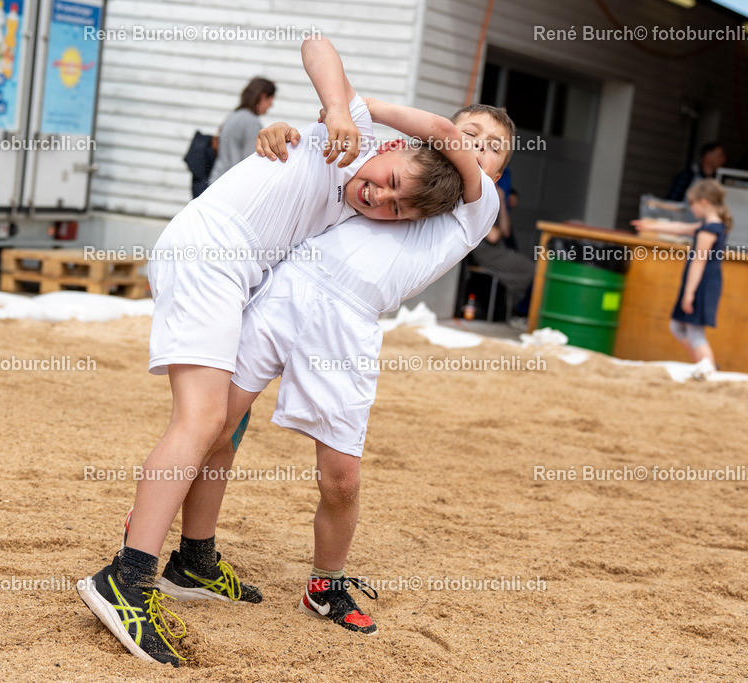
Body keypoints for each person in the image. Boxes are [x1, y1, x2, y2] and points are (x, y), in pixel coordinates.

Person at [76, 35, 468, 666]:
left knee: (227, 425)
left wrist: (284, 134)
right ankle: (125, 579)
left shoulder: (353, 214)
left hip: (239, 277)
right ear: (389, 149)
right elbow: (317, 44)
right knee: (200, 420)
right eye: (389, 182)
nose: (381, 198)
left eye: (397, 208)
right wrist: (339, 108)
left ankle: (194, 562)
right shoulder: (357, 134)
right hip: (209, 256)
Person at [155, 102, 513, 637]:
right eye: (471, 133)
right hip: (287, 288)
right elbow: (324, 162)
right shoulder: (389, 169)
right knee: (212, 429)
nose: (477, 146)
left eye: (493, 146)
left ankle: (325, 585)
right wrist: (291, 129)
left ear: (499, 172)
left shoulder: (474, 210)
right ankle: (183, 557)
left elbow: (437, 130)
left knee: (341, 479)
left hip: (348, 327)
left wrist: (361, 106)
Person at [632, 178, 731, 380]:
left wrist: (689, 293)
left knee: (695, 333)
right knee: (677, 327)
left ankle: (709, 369)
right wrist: (651, 226)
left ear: (703, 202)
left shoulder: (709, 229)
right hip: (701, 283)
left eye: (692, 204)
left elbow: (699, 261)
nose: (691, 208)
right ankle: (705, 365)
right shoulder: (708, 225)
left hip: (701, 285)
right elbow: (679, 228)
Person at [468, 184, 534, 320]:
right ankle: (523, 313)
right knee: (534, 271)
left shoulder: (496, 206)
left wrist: (502, 204)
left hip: (499, 250)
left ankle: (524, 311)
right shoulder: (480, 204)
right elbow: (493, 236)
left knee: (536, 271)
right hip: (485, 253)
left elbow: (506, 231)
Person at [205, 77, 276, 187]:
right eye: (270, 101)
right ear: (262, 97)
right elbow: (252, 160)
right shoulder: (252, 122)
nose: (271, 106)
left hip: (217, 181)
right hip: (232, 186)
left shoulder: (233, 115)